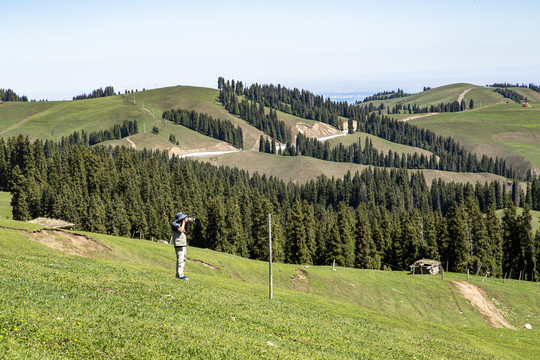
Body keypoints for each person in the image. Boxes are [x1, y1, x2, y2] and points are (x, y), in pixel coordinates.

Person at [170, 212, 194, 280]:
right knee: (180, 259)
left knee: (183, 259)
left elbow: (187, 233)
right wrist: (184, 222)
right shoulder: (174, 224)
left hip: (183, 243)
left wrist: (188, 224)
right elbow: (180, 230)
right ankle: (179, 275)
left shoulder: (181, 224)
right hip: (179, 243)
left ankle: (181, 273)